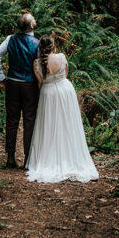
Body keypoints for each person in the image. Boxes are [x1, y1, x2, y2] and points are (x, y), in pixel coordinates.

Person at [25, 34, 99, 183]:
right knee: (68, 124)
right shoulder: (62, 57)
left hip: (47, 93)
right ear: (53, 46)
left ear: (40, 48)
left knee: (49, 126)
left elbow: (40, 83)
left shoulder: (36, 63)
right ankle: (70, 156)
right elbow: (65, 74)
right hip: (65, 91)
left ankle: (49, 158)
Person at [0, 12, 39, 168]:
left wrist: (2, 77)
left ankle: (10, 156)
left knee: (12, 120)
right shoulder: (37, 43)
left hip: (12, 83)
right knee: (29, 121)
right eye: (33, 19)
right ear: (31, 25)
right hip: (30, 85)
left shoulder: (10, 39)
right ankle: (28, 158)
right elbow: (39, 66)